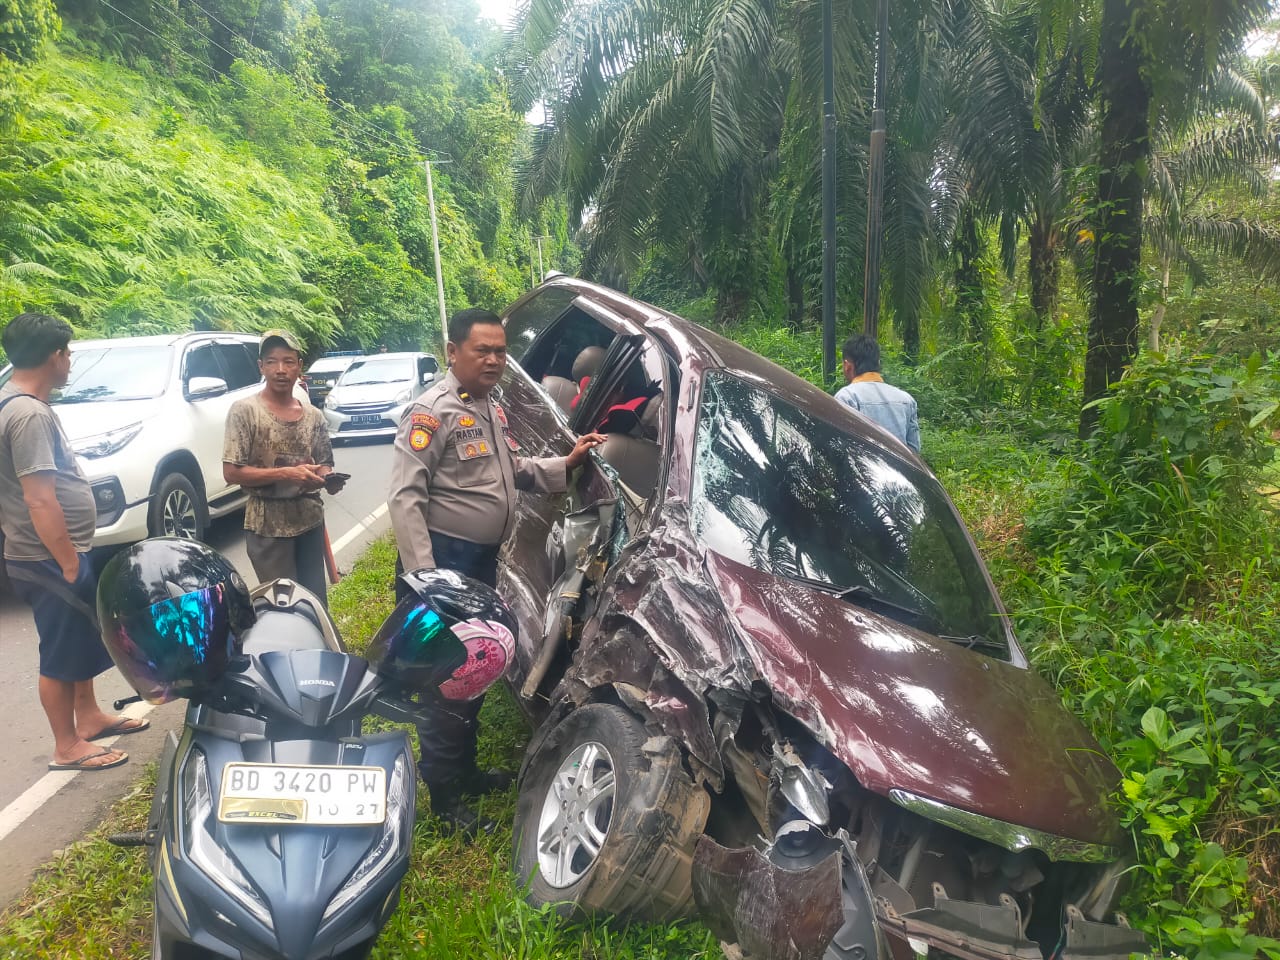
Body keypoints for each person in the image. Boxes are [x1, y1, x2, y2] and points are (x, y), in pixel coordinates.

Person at [387, 307, 605, 835]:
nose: (493, 360)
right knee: (446, 677)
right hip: (443, 563)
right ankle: (444, 797)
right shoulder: (431, 412)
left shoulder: (490, 408)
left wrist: (566, 464)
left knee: (476, 668)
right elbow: (405, 498)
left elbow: (515, 472)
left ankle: (464, 769)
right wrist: (429, 581)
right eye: (481, 350)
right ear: (452, 353)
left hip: (478, 563)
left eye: (500, 351)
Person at [0, 312, 147, 772]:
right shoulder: (26, 414)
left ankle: (89, 718)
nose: (70, 362)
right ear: (54, 356)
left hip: (54, 551)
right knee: (60, 651)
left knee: (81, 633)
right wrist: (66, 561)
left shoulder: (20, 404)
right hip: (45, 556)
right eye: (68, 353)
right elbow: (39, 498)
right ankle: (66, 747)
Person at [223, 329, 344, 605]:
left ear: (299, 367)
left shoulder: (313, 416)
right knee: (283, 606)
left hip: (309, 520)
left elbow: (324, 463)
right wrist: (287, 474)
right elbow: (231, 473)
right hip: (267, 525)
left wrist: (326, 479)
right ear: (261, 367)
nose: (280, 369)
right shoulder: (245, 411)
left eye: (288, 361)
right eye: (272, 361)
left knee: (314, 603)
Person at [835, 334, 921, 452]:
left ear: (847, 366)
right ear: (878, 363)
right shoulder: (907, 400)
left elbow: (841, 447)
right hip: (898, 470)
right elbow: (914, 451)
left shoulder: (847, 397)